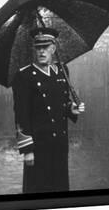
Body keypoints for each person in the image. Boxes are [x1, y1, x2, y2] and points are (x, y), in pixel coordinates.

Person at [12, 27, 85, 193]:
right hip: (38, 145)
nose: (41, 52)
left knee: (59, 187)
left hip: (59, 143)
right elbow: (21, 116)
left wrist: (72, 108)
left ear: (54, 48)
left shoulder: (62, 70)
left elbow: (62, 103)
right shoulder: (24, 76)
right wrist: (27, 150)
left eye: (45, 47)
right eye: (38, 48)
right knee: (38, 190)